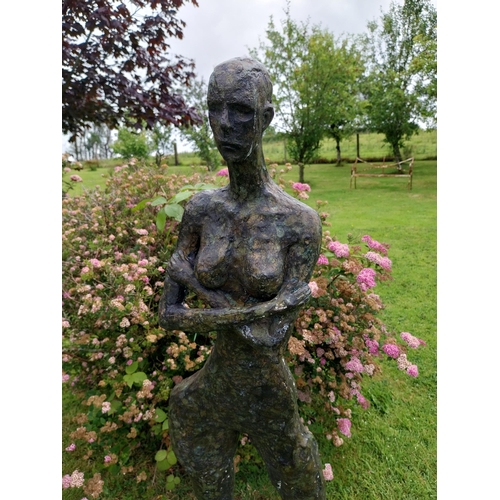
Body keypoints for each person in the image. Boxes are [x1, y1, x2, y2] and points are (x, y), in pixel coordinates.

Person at [158, 57, 325, 500]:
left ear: (265, 118)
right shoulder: (201, 210)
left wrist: (198, 287)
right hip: (211, 390)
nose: (224, 125)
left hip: (268, 395)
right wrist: (260, 309)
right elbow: (168, 315)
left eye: (241, 111)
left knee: (301, 481)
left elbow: (269, 337)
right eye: (215, 109)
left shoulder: (298, 222)